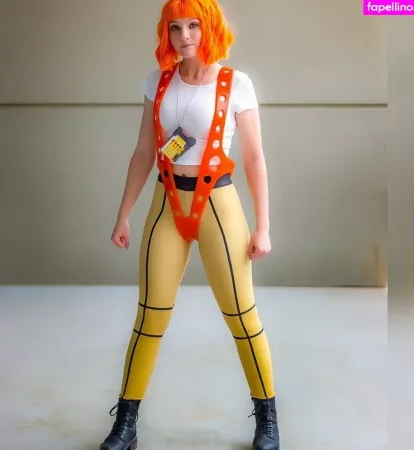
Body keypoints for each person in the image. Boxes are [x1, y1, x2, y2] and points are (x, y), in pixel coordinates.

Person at [100, 1, 280, 449]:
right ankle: (126, 423)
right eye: (175, 27)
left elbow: (255, 159)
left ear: (210, 27)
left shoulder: (236, 83)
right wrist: (123, 214)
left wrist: (263, 226)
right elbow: (144, 152)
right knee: (149, 315)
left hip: (218, 206)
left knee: (242, 314)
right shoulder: (157, 82)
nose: (184, 36)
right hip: (166, 204)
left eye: (193, 26)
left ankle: (267, 418)